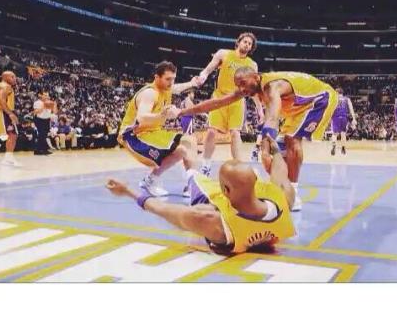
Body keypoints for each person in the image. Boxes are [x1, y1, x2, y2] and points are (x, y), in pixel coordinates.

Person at [179, 69, 338, 211]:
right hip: (297, 107)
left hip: (319, 98)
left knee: (291, 140)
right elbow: (216, 103)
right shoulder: (250, 89)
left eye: (243, 83)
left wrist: (264, 150)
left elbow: (273, 117)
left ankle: (293, 196)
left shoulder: (272, 86)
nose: (241, 89)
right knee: (281, 150)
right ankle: (284, 188)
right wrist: (183, 112)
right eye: (238, 85)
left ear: (255, 77)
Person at [106, 134, 295, 254]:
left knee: (192, 172)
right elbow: (280, 170)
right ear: (256, 182)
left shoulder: (214, 223)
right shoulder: (284, 198)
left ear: (225, 191)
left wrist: (128, 191)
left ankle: (186, 154)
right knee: (192, 166)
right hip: (237, 199)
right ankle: (187, 151)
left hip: (212, 200)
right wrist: (274, 150)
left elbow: (163, 209)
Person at [117, 61, 199, 197]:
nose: (171, 82)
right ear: (157, 77)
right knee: (184, 146)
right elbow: (142, 118)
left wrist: (191, 83)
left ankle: (185, 185)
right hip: (133, 135)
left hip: (152, 132)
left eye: (173, 79)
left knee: (185, 146)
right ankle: (189, 185)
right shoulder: (150, 93)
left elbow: (177, 88)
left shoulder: (167, 88)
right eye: (168, 79)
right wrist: (163, 115)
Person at [195, 32, 264, 176]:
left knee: (235, 133)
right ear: (238, 42)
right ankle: (206, 165)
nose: (247, 45)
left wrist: (260, 109)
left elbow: (253, 89)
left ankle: (238, 167)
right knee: (211, 131)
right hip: (219, 98)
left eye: (250, 44)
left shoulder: (252, 65)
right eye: (245, 41)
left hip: (237, 100)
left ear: (251, 47)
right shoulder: (223, 54)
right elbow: (208, 68)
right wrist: (203, 76)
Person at [0, 70, 21, 166]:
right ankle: (8, 159)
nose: (15, 79)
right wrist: (10, 113)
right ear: (5, 77)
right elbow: (0, 99)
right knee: (13, 134)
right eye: (12, 77)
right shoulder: (6, 86)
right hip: (2, 111)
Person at [330, 87, 357, 156]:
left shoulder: (334, 99)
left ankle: (334, 145)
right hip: (344, 117)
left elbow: (330, 109)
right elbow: (351, 109)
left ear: (336, 92)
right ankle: (343, 148)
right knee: (343, 133)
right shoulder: (347, 99)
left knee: (334, 134)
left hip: (335, 117)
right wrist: (354, 118)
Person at [33, 90, 57, 155]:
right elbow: (36, 112)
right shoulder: (37, 102)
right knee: (42, 134)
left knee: (45, 135)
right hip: (39, 119)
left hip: (47, 119)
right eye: (45, 95)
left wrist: (54, 104)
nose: (47, 97)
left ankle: (40, 150)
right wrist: (44, 106)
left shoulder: (50, 102)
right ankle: (41, 150)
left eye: (47, 95)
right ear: (40, 95)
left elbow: (55, 112)